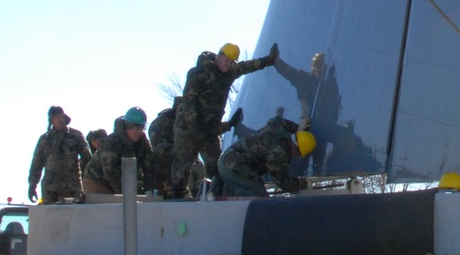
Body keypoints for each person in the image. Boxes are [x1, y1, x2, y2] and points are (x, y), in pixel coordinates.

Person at [170, 42, 279, 198]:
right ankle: (176, 198)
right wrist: (194, 128)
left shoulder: (229, 72)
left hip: (209, 131)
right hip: (189, 128)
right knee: (182, 165)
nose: (229, 64)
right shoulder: (199, 73)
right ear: (220, 56)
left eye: (231, 62)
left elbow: (248, 66)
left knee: (218, 166)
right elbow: (189, 101)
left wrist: (269, 60)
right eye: (227, 60)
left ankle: (217, 194)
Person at [213, 114, 311, 199]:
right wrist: (304, 183)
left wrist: (298, 128)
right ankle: (223, 191)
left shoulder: (278, 127)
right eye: (298, 154)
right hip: (233, 167)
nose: (295, 157)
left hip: (226, 160)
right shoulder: (277, 154)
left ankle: (222, 182)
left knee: (255, 190)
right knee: (259, 197)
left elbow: (278, 120)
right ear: (295, 149)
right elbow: (285, 183)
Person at [28, 106, 91, 203]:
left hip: (72, 188)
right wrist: (32, 185)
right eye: (57, 118)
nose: (61, 120)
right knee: (50, 217)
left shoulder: (76, 136)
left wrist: (88, 183)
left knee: (74, 217)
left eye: (62, 117)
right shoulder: (44, 139)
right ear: (51, 120)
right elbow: (37, 164)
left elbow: (88, 160)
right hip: (50, 189)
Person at [97, 108, 155, 193]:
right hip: (99, 183)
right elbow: (110, 172)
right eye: (137, 128)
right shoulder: (111, 142)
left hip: (124, 185)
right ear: (127, 126)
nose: (139, 132)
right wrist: (126, 195)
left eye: (142, 128)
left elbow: (149, 168)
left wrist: (147, 190)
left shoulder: (143, 143)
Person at [82, 128, 112, 196]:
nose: (98, 142)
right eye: (95, 140)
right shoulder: (88, 157)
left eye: (101, 139)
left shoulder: (112, 152)